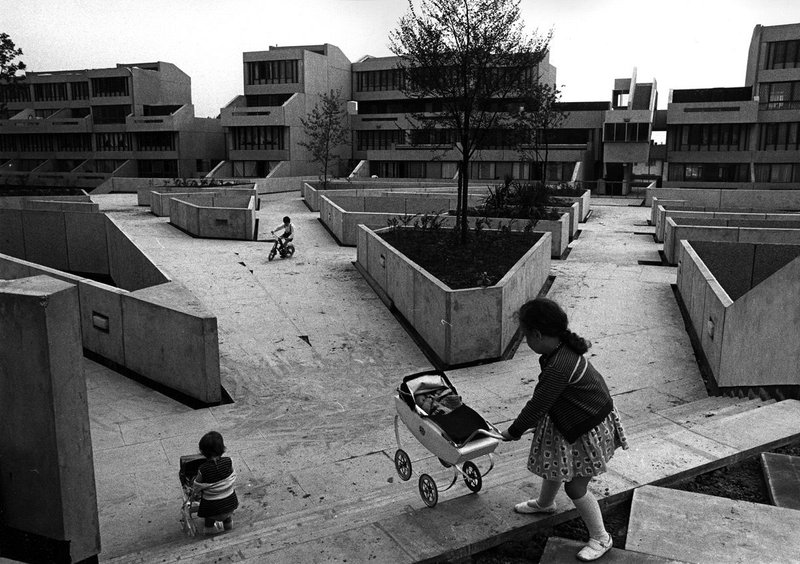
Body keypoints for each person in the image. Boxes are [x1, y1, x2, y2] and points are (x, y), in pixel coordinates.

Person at [501, 298, 628, 562]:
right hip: (574, 418)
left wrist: (513, 431)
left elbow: (538, 404)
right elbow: (549, 399)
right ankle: (545, 504)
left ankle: (601, 537)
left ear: (536, 334)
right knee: (557, 464)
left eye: (526, 336)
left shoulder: (559, 364)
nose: (526, 341)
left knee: (575, 488)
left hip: (588, 426)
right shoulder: (558, 351)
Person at [192, 431, 239, 535]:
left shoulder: (203, 469)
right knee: (226, 512)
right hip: (231, 504)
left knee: (209, 517)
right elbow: (231, 475)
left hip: (212, 509)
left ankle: (210, 529)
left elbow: (197, 485)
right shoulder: (228, 461)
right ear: (222, 448)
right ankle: (228, 528)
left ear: (202, 452)